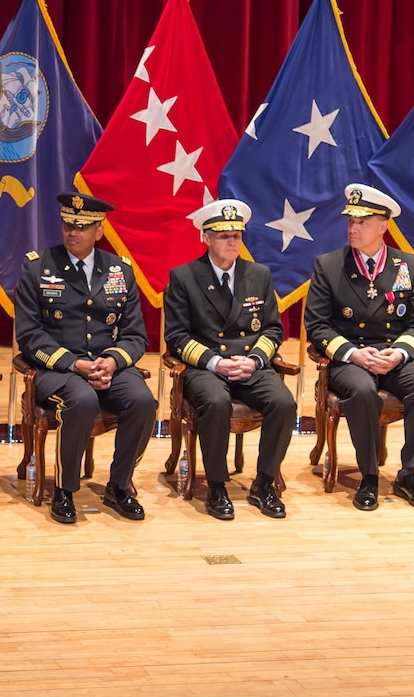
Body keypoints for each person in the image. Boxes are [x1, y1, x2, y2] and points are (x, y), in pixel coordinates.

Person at [15, 193, 157, 524]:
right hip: (58, 368)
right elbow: (29, 334)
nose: (72, 232)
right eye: (67, 225)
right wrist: (74, 364)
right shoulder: (38, 266)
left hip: (109, 366)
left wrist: (112, 361)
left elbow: (136, 335)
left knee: (143, 402)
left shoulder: (119, 270)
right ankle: (65, 489)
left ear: (99, 231)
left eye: (81, 227)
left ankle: (119, 485)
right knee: (82, 400)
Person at [304, 183, 414, 512]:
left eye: (362, 222)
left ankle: (411, 472)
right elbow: (317, 325)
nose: (353, 228)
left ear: (383, 225)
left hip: (394, 353)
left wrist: (399, 353)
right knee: (363, 391)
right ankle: (369, 476)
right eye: (350, 221)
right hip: (350, 356)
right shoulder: (329, 265)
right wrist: (353, 354)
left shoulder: (406, 265)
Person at [163, 198, 296, 520]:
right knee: (216, 403)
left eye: (236, 235)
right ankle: (218, 485)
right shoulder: (185, 276)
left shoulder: (259, 274)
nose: (232, 242)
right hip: (207, 367)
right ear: (205, 238)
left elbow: (273, 330)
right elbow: (177, 337)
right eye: (223, 235)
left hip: (250, 364)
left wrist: (254, 359)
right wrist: (216, 362)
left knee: (285, 403)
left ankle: (264, 483)